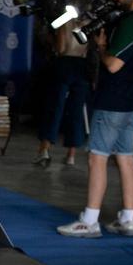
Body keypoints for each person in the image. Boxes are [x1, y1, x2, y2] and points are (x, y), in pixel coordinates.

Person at [57, 0, 133, 238]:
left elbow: (113, 65)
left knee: (97, 158)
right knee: (124, 157)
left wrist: (101, 46)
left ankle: (89, 221)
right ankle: (128, 219)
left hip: (115, 99)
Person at [35, 16, 91, 166]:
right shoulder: (89, 21)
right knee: (76, 110)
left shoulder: (65, 19)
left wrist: (51, 40)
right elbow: (86, 44)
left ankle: (44, 150)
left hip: (64, 64)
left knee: (55, 107)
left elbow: (60, 48)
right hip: (82, 66)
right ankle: (71, 155)